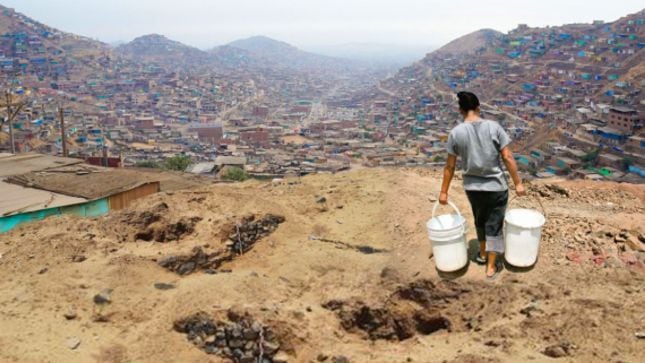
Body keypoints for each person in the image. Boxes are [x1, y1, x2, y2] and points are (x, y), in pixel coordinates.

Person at [439, 91, 526, 279]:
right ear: (479, 108)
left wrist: (444, 192)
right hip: (496, 187)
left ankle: (483, 253)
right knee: (494, 225)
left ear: (460, 110)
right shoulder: (494, 128)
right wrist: (517, 183)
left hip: (472, 188)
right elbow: (507, 157)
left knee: (480, 220)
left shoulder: (455, 133)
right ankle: (491, 266)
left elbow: (450, 166)